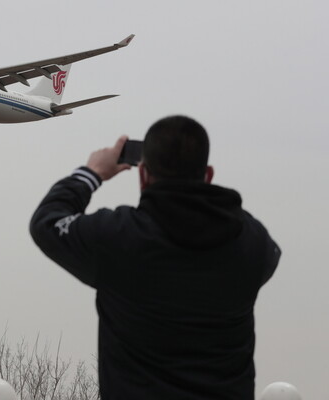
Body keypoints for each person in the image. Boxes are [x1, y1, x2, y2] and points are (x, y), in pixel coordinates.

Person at [29, 115, 280, 400]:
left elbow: (47, 223)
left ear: (143, 175)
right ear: (208, 175)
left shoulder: (119, 238)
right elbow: (268, 251)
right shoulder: (252, 244)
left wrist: (92, 172)